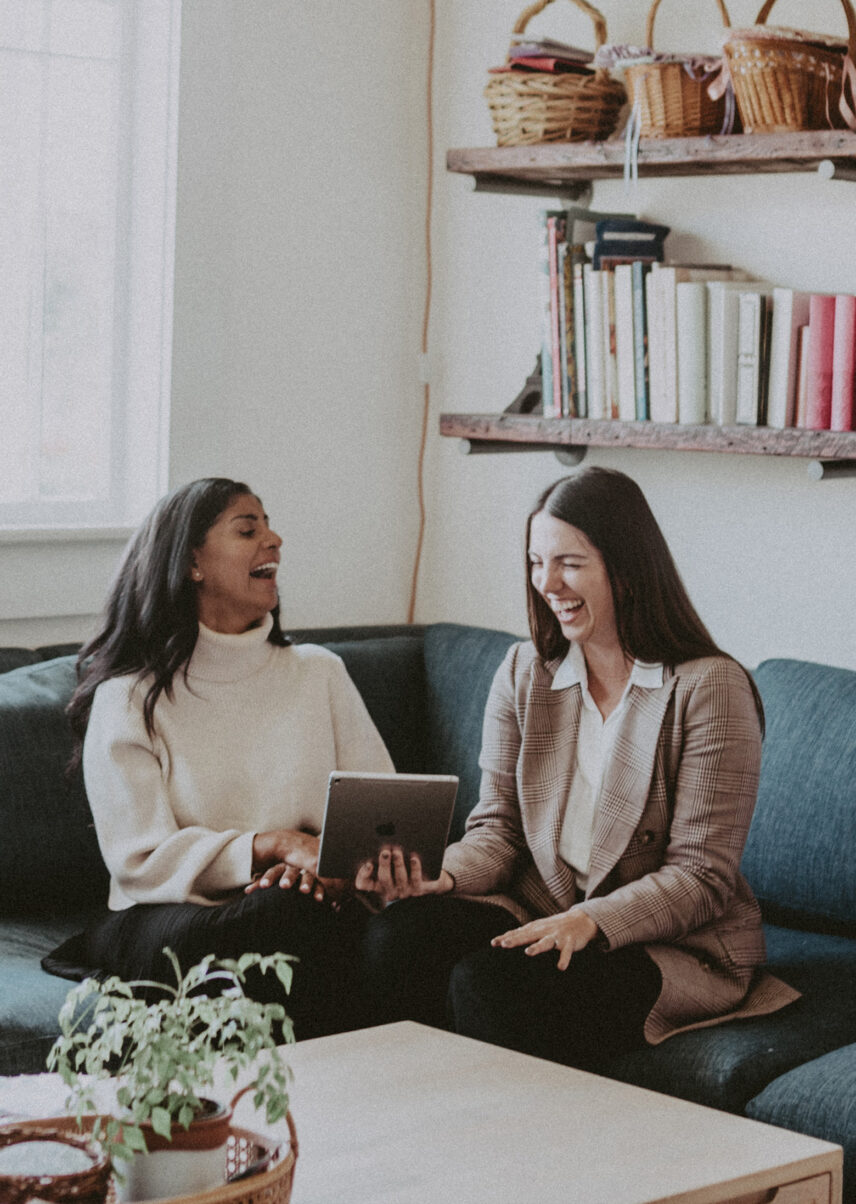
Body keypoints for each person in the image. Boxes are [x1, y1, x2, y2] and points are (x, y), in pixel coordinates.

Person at [355, 467, 799, 1070]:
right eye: (537, 563)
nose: (548, 583)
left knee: (493, 985)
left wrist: (589, 919)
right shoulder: (523, 672)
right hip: (544, 910)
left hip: (669, 943)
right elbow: (499, 831)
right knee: (398, 936)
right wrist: (441, 876)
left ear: (626, 568)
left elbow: (702, 876)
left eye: (569, 563)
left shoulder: (708, 687)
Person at [43, 477, 395, 1040]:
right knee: (285, 913)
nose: (273, 540)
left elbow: (384, 818)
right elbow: (139, 860)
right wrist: (272, 846)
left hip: (303, 904)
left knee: (366, 922)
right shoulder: (130, 695)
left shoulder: (319, 673)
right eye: (247, 529)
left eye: (270, 525)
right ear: (192, 564)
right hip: (161, 913)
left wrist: (332, 874)